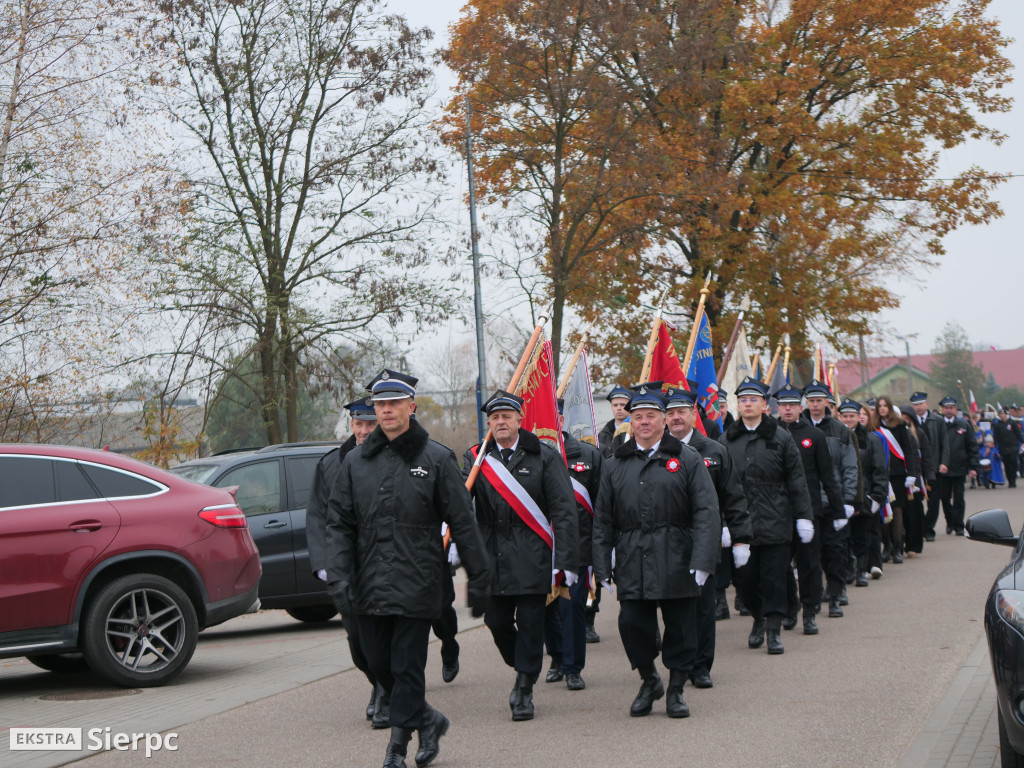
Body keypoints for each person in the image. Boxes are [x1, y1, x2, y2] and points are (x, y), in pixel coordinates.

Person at [325, 369, 492, 768]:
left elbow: (462, 521)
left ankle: (397, 748)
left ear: (411, 407)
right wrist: (340, 575)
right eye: (380, 404)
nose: (386, 411)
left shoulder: (435, 458)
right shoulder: (355, 462)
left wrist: (480, 578)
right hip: (369, 581)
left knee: (406, 665)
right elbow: (339, 524)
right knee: (378, 664)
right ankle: (429, 720)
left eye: (394, 404)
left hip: (418, 579)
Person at [592, 382, 721, 718]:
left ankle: (676, 690)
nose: (644, 422)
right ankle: (649, 679)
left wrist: (704, 559)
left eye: (651, 416)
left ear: (664, 421)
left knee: (680, 627)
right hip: (633, 554)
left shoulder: (688, 458)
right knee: (632, 624)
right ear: (630, 422)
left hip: (678, 554)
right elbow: (603, 518)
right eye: (638, 416)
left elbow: (707, 512)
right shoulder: (614, 463)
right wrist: (602, 564)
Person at [464, 390, 578, 722]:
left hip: (532, 555)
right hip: (492, 554)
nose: (500, 422)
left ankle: (525, 687)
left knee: (530, 625)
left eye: (506, 417)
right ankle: (526, 667)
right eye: (495, 418)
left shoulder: (544, 457)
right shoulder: (476, 458)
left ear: (519, 420)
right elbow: (458, 503)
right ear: (489, 423)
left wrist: (566, 560)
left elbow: (564, 511)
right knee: (496, 621)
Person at [719, 377, 813, 655]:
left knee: (774, 578)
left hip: (776, 520)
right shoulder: (726, 441)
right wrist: (723, 523)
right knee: (745, 581)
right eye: (743, 400)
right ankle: (758, 617)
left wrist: (803, 516)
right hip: (740, 524)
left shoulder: (780, 437)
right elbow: (718, 486)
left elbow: (796, 479)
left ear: (764, 404)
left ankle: (773, 629)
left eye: (753, 400)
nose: (748, 404)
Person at [664, 386, 751, 687]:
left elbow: (734, 497)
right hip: (667, 542)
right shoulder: (656, 451)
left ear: (694, 415)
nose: (676, 418)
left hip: (704, 538)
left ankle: (700, 665)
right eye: (671, 413)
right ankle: (678, 661)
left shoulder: (714, 451)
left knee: (703, 606)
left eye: (682, 412)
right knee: (674, 607)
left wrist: (739, 537)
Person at [306, 396, 383, 724]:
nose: (364, 431)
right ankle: (377, 678)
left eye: (370, 424)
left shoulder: (393, 457)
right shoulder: (330, 464)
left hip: (384, 563)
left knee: (385, 632)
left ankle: (384, 690)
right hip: (347, 567)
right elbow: (317, 516)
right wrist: (324, 563)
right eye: (358, 424)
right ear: (350, 424)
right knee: (358, 642)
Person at [543, 398, 602, 691]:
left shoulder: (588, 455)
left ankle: (573, 667)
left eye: (554, 417)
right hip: (540, 547)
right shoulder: (531, 457)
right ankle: (556, 656)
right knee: (545, 609)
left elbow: (602, 504)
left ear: (563, 420)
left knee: (572, 607)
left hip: (577, 545)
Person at [775, 386, 844, 627]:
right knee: (782, 565)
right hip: (779, 511)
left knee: (810, 564)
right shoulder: (770, 434)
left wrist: (838, 509)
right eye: (783, 405)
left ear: (799, 407)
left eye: (792, 405)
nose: (787, 409)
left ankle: (810, 610)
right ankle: (790, 607)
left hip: (808, 509)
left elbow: (827, 475)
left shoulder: (814, 436)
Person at [802, 380, 860, 615]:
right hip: (808, 502)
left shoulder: (840, 430)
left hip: (833, 501)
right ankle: (814, 597)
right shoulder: (797, 428)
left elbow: (849, 467)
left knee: (835, 551)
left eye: (819, 401)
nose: (815, 405)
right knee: (810, 554)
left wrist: (847, 501)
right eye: (811, 401)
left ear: (827, 402)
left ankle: (836, 594)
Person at [837, 400, 887, 582]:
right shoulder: (834, 437)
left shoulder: (871, 439)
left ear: (859, 417)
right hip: (841, 494)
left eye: (852, 416)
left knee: (862, 536)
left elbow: (879, 470)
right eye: (845, 416)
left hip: (865, 495)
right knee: (843, 537)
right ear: (839, 417)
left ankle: (861, 571)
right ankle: (847, 569)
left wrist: (877, 497)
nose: (848, 419)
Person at [873, 396, 920, 562]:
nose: (883, 408)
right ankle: (887, 546)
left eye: (885, 405)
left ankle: (898, 547)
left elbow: (909, 450)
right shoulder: (874, 426)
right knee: (884, 511)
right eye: (880, 406)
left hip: (899, 474)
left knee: (898, 510)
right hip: (881, 474)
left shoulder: (900, 425)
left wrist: (912, 474)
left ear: (890, 407)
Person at [936, 396, 980, 536]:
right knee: (945, 497)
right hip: (943, 468)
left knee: (959, 498)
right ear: (942, 409)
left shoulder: (964, 425)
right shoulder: (938, 425)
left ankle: (959, 525)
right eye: (946, 408)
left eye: (951, 408)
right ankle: (950, 521)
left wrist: (973, 467)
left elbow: (972, 447)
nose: (949, 410)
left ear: (955, 409)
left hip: (960, 467)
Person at [910, 392, 946, 541]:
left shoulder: (937, 420)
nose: (918, 407)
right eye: (915, 405)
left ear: (926, 404)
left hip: (934, 467)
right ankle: (920, 527)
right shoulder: (910, 422)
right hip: (917, 469)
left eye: (920, 404)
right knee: (916, 502)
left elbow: (945, 444)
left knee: (934, 502)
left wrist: (944, 462)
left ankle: (928, 528)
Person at [598, 385, 632, 457]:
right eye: (615, 405)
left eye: (622, 405)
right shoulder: (603, 435)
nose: (619, 408)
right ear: (611, 407)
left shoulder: (636, 430)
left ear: (630, 406)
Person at [993, 409, 1020, 488]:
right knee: (1007, 465)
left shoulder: (1012, 423)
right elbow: (996, 437)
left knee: (1013, 462)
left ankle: (1014, 479)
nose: (1002, 415)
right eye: (1000, 414)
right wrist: (994, 447)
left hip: (1013, 447)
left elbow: (1018, 433)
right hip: (1004, 448)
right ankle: (1010, 480)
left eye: (1003, 414)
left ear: (1006, 414)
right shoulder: (998, 425)